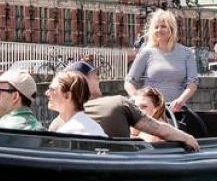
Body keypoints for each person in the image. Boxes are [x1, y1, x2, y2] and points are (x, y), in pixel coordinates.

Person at [65, 61, 199, 151]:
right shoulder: (117, 103)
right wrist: (187, 137)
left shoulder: (59, 122)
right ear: (83, 80)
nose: (98, 79)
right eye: (94, 76)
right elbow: (158, 129)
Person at [124, 9, 199, 121]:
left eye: (163, 26)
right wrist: (138, 99)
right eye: (156, 27)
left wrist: (181, 100)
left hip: (176, 112)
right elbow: (129, 81)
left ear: (171, 28)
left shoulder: (187, 53)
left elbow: (192, 84)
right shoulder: (146, 52)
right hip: (151, 113)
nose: (159, 30)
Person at [45, 71, 106, 137]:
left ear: (68, 96)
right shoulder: (94, 127)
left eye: (52, 89)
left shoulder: (67, 134)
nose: (47, 93)